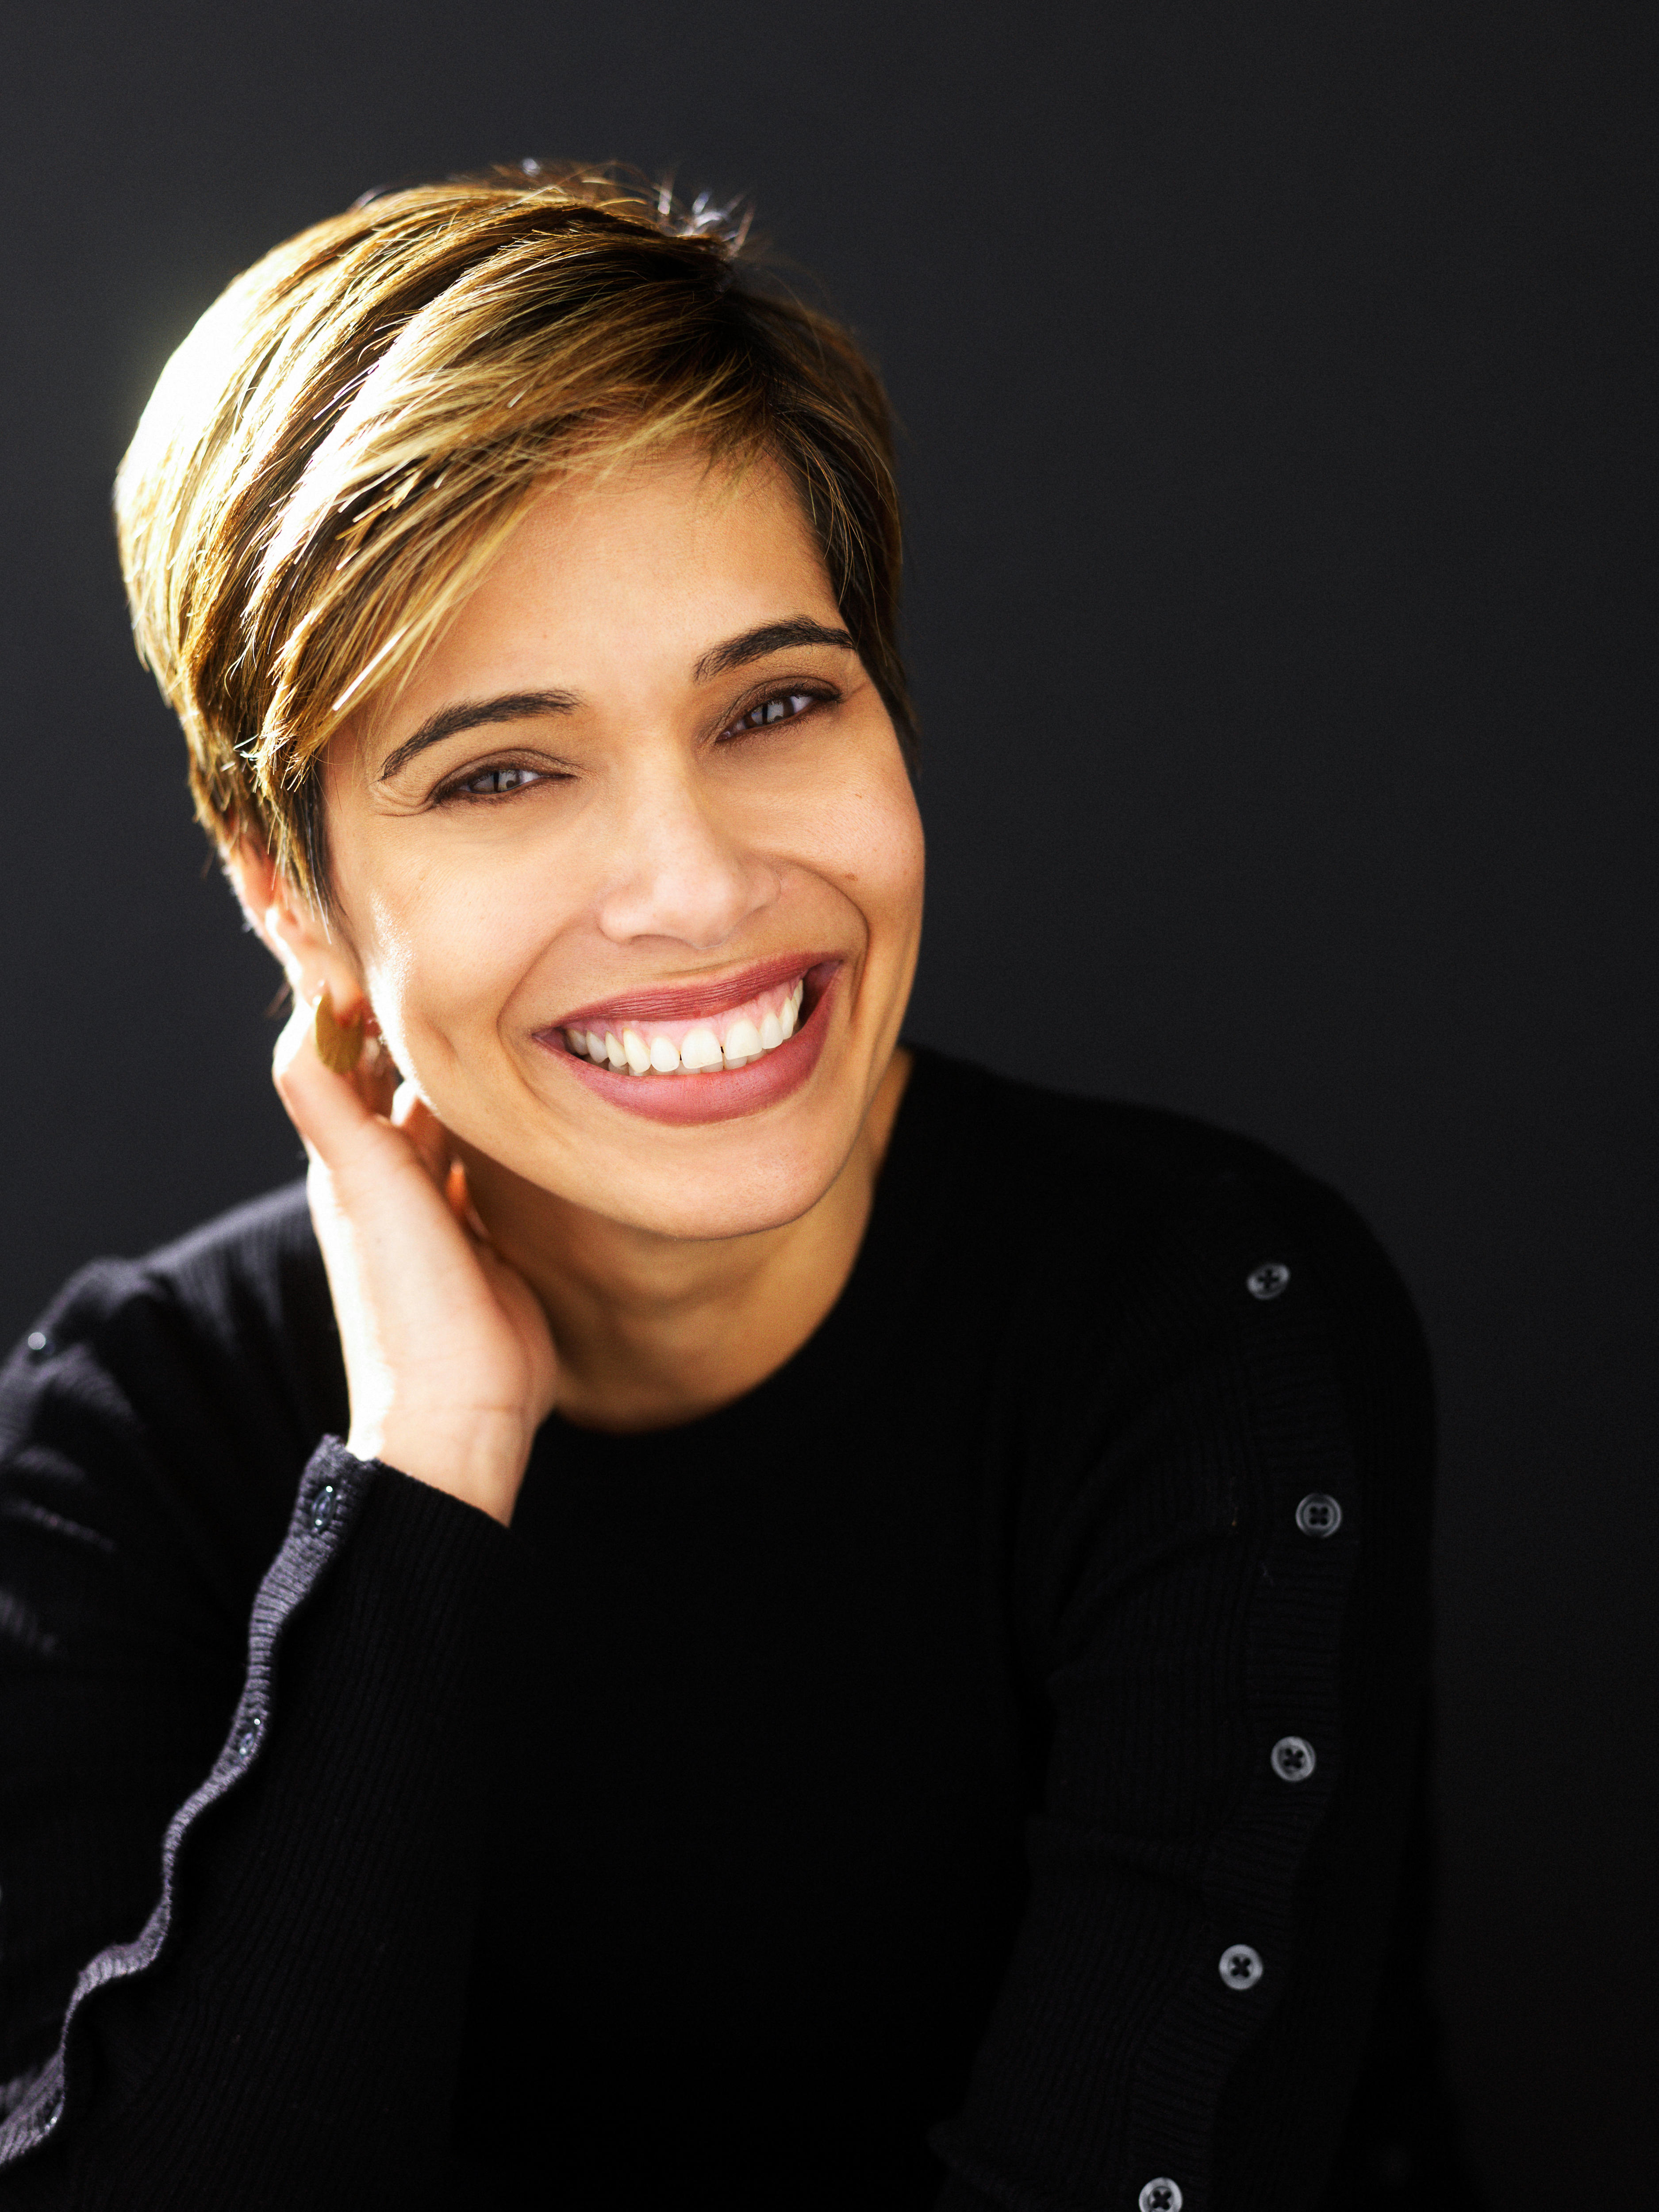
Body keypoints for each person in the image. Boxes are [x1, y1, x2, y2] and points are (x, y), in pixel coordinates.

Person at [0, 166, 1464, 2210]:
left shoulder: (1202, 1325)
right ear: (287, 891)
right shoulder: (121, 1443)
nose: (694, 887)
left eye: (774, 702)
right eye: (502, 769)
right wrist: (427, 1469)